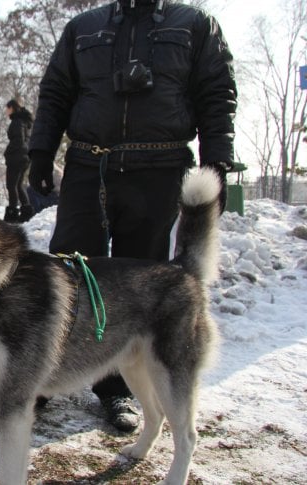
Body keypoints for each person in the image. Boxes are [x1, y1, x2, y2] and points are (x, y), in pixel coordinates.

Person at [28, 0, 236, 432]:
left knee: (136, 287)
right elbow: (56, 91)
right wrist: (41, 151)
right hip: (89, 164)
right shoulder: (83, 27)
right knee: (67, 273)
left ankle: (116, 388)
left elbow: (216, 92)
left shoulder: (194, 24)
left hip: (158, 168)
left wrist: (217, 158)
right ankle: (44, 374)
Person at [3, 98, 35, 223]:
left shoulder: (17, 122)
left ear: (12, 108)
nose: (6, 111)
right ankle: (26, 211)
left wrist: (8, 153)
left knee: (11, 185)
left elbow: (18, 141)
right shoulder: (24, 122)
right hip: (24, 157)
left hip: (17, 157)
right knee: (18, 185)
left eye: (7, 108)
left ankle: (12, 214)